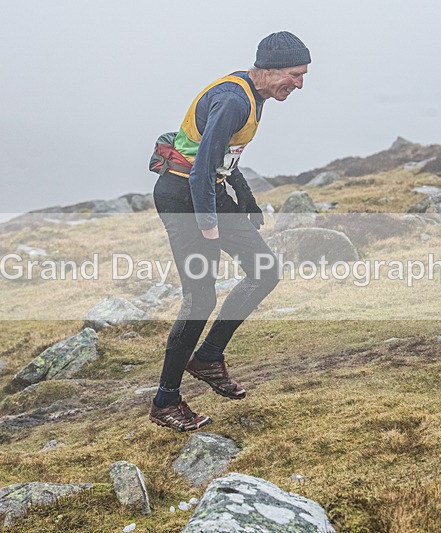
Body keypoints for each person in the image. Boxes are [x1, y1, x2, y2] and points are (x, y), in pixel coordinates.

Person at [148, 31, 311, 432]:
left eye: (303, 76)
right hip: (183, 198)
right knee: (200, 298)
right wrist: (208, 225)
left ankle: (207, 357)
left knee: (265, 271)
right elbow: (200, 170)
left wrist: (247, 200)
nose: (299, 84)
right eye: (294, 74)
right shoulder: (234, 100)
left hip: (209, 191)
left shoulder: (255, 95)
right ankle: (165, 401)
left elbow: (224, 158)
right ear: (269, 68)